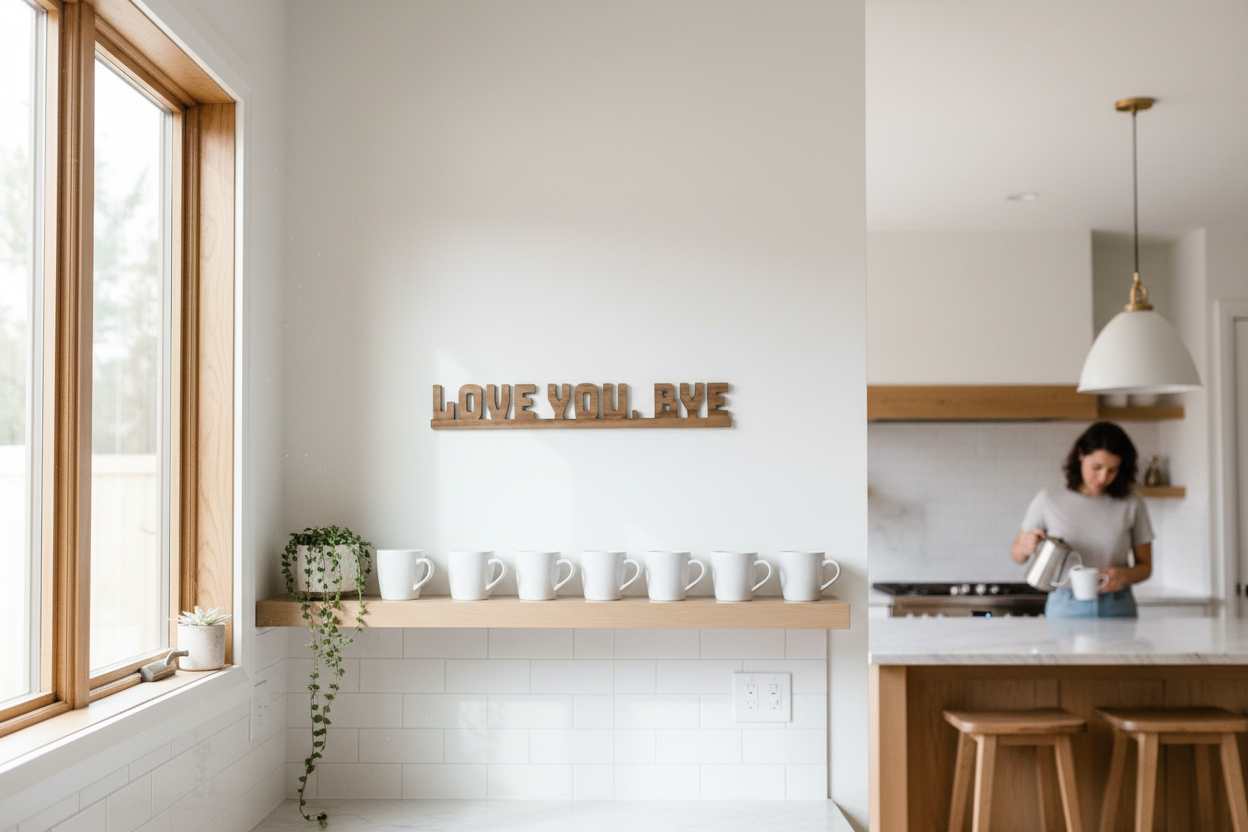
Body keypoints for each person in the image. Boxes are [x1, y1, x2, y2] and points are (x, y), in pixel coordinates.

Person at [1011, 421, 1154, 618]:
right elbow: (1017, 555)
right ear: (1080, 455)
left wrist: (1122, 575)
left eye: (1112, 470)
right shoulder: (1049, 499)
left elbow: (1145, 567)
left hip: (1117, 605)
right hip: (1065, 605)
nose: (1103, 477)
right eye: (1097, 467)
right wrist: (1024, 547)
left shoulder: (1132, 503)